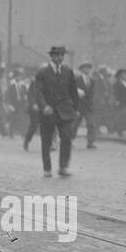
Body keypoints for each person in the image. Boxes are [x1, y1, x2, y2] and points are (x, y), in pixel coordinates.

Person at [34, 46, 79, 178]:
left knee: (66, 138)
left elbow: (73, 91)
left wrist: (75, 109)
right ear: (52, 56)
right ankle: (47, 168)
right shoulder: (42, 72)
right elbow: (38, 92)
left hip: (65, 111)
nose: (60, 58)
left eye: (62, 55)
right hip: (49, 111)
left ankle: (63, 167)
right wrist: (44, 106)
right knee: (46, 141)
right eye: (58, 55)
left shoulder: (68, 71)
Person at [72, 62, 98, 149]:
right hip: (79, 106)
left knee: (91, 124)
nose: (87, 70)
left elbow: (92, 94)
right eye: (85, 68)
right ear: (82, 69)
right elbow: (72, 91)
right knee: (75, 124)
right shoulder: (76, 79)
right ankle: (69, 141)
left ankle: (90, 142)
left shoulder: (92, 80)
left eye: (89, 68)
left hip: (88, 106)